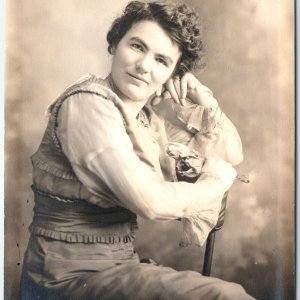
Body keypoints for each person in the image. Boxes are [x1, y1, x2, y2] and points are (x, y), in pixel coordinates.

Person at [20, 1, 255, 299]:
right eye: (137, 46)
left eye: (161, 60)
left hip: (118, 268)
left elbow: (231, 154)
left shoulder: (146, 121)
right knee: (226, 297)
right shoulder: (87, 105)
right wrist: (217, 182)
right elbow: (151, 203)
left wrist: (204, 100)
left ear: (171, 74)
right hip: (63, 279)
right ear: (115, 44)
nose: (144, 65)